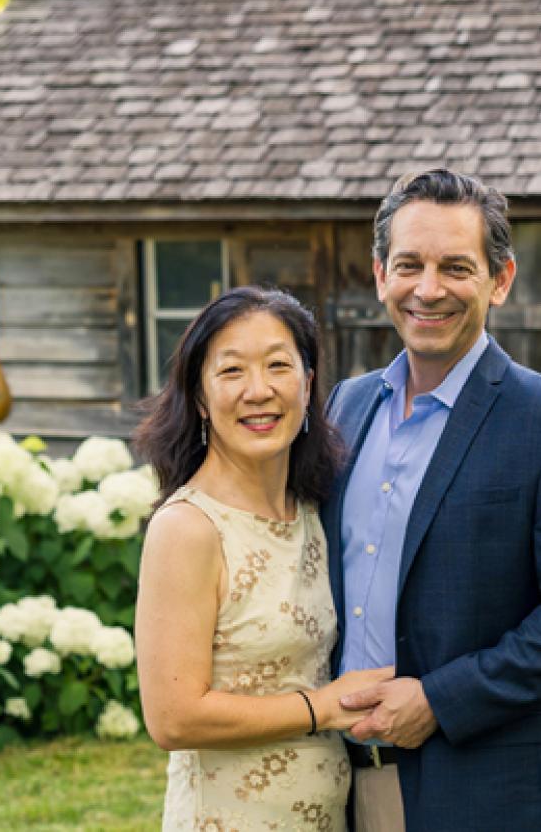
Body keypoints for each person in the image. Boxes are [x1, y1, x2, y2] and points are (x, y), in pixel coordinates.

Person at [324, 168, 541, 830]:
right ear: (381, 275)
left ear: (500, 280)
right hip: (341, 785)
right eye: (409, 265)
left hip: (491, 791)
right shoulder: (344, 407)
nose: (428, 289)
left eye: (455, 268)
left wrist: (440, 698)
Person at [134, 287, 393, 831]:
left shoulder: (314, 511)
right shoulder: (188, 528)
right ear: (200, 398)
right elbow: (173, 718)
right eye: (231, 372)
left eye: (278, 365)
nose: (259, 391)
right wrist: (322, 707)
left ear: (307, 383)